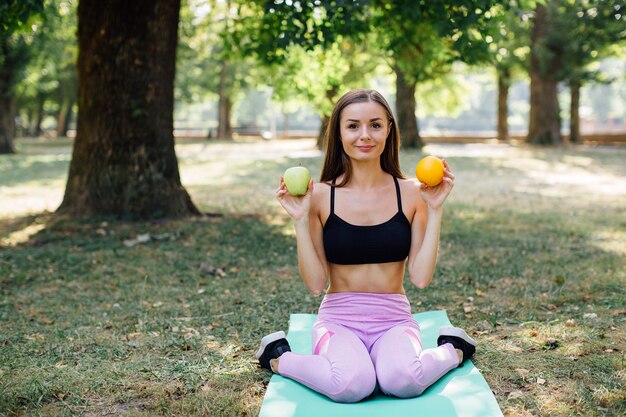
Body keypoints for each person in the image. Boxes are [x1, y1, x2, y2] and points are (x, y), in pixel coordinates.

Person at [255, 89, 476, 403]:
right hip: (338, 320)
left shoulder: (413, 193)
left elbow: (421, 278)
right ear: (339, 133)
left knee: (404, 380)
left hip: (394, 318)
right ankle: (278, 356)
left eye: (375, 125)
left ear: (389, 129)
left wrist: (436, 208)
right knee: (352, 385)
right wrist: (300, 220)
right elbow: (316, 285)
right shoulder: (319, 195)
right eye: (353, 126)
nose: (364, 135)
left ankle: (453, 349)